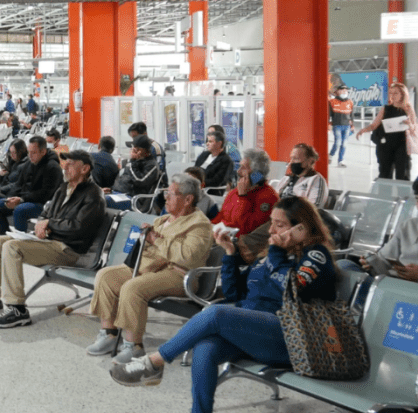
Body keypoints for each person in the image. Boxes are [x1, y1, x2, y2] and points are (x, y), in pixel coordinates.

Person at [110, 196, 337, 413]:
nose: (271, 231)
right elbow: (234, 293)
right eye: (272, 224)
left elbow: (292, 287)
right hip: (256, 331)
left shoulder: (316, 255)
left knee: (216, 313)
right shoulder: (268, 256)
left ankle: (155, 362)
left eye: (279, 225)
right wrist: (229, 254)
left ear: (301, 228)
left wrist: (277, 252)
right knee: (205, 348)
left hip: (291, 337)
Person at [0, 150, 107, 328]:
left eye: (71, 164)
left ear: (85, 168)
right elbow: (45, 214)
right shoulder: (64, 188)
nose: (65, 167)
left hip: (70, 249)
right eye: (66, 163)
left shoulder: (94, 195)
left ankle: (18, 309)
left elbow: (79, 228)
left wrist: (50, 224)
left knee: (12, 247)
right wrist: (42, 223)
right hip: (51, 242)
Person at [87, 174, 214, 361]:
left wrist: (156, 240)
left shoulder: (200, 225)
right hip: (148, 268)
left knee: (133, 287)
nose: (166, 197)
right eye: (166, 193)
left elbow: (187, 256)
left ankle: (133, 345)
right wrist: (144, 236)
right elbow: (147, 247)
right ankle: (109, 334)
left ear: (188, 199)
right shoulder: (163, 219)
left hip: (178, 275)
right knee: (106, 276)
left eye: (171, 194)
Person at [343, 168, 418, 289]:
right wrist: (373, 263)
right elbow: (385, 262)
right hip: (395, 288)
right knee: (344, 265)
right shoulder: (409, 226)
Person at [0, 135, 63, 235]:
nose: (30, 155)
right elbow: (19, 184)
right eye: (29, 152)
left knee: (20, 210)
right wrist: (11, 197)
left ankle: (19, 243)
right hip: (25, 198)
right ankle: (6, 237)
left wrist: (21, 199)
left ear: (43, 152)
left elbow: (45, 194)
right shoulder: (30, 163)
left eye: (33, 152)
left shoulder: (53, 167)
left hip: (43, 204)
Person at [356, 82, 417, 180]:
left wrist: (409, 124)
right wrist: (363, 130)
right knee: (384, 173)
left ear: (403, 94)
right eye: (391, 93)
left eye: (395, 93)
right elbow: (374, 125)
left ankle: (403, 195)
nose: (392, 96)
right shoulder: (386, 108)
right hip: (385, 145)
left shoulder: (408, 109)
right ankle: (384, 194)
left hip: (402, 146)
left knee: (403, 174)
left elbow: (414, 128)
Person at [212, 148, 278, 237]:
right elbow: (222, 217)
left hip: (238, 244)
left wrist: (243, 197)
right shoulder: (234, 192)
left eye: (244, 168)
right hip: (221, 236)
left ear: (256, 174)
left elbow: (246, 229)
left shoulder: (268, 197)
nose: (238, 171)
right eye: (240, 166)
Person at [104, 135, 165, 211]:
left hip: (132, 198)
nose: (132, 149)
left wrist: (132, 161)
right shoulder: (135, 162)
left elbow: (139, 180)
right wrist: (111, 189)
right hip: (117, 194)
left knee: (101, 201)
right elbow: (124, 179)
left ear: (143, 150)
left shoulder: (152, 165)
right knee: (91, 196)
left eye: (134, 147)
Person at [274, 143, 328, 208]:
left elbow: (314, 208)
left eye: (296, 158)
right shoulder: (286, 178)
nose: (291, 162)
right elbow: (274, 199)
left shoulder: (316, 180)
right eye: (291, 158)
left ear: (309, 160)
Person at [328, 85, 354, 167]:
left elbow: (351, 115)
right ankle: (331, 155)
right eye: (342, 90)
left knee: (344, 144)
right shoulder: (332, 101)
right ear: (338, 91)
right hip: (337, 125)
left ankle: (341, 161)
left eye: (346, 90)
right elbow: (329, 114)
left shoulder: (350, 102)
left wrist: (352, 126)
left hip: (346, 126)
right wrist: (328, 125)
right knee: (338, 143)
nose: (344, 91)